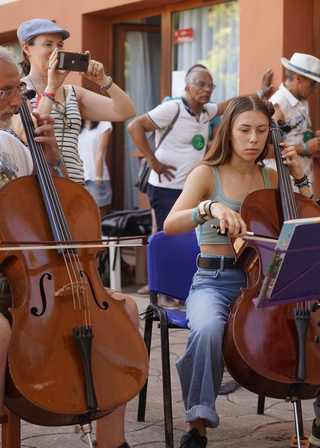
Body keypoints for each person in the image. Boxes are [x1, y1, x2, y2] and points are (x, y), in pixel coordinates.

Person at [0, 46, 137, 448]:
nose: (15, 101)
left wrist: (52, 160)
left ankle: (111, 443)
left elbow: (58, 209)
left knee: (124, 310)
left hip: (31, 275)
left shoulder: (9, 146)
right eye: (5, 91)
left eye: (18, 90)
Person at [163, 95, 312, 448]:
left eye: (262, 131)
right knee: (208, 329)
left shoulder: (271, 176)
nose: (253, 139)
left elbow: (305, 221)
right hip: (214, 280)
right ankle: (197, 422)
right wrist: (208, 208)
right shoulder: (206, 174)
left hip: (265, 282)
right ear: (228, 131)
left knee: (312, 322)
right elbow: (170, 224)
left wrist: (300, 177)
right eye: (244, 130)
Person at [128, 64, 273, 232]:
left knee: (190, 237)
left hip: (192, 186)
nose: (207, 89)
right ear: (187, 87)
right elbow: (134, 126)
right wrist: (152, 161)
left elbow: (232, 104)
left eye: (211, 85)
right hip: (167, 186)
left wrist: (260, 93)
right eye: (201, 84)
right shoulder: (172, 108)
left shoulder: (206, 111)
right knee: (168, 238)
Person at [11, 17, 135, 184]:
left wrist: (103, 80)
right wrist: (51, 89)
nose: (56, 50)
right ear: (27, 48)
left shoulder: (73, 93)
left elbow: (125, 111)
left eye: (60, 45)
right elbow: (28, 134)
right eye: (48, 44)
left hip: (75, 188)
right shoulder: (18, 89)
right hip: (38, 188)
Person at [265, 52, 320, 186]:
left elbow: (294, 134)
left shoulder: (301, 100)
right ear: (298, 78)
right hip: (284, 186)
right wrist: (305, 148)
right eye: (313, 84)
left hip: (302, 183)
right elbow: (265, 150)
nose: (315, 90)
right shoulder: (277, 104)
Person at [79, 120, 113, 217]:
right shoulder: (77, 125)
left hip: (96, 177)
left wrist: (98, 178)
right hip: (80, 177)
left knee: (98, 217)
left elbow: (101, 152)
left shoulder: (104, 124)